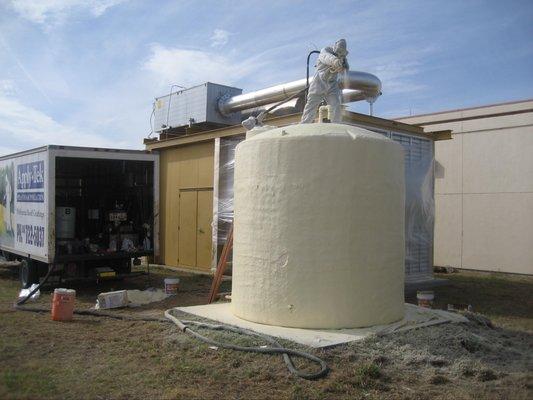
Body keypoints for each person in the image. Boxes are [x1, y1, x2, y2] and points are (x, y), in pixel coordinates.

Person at [301, 39, 349, 123]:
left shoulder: (342, 57)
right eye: (338, 52)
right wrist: (336, 62)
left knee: (336, 105)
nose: (339, 55)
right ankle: (304, 124)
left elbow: (345, 69)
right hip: (319, 83)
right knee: (311, 106)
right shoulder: (325, 52)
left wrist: (344, 66)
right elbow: (328, 58)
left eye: (341, 53)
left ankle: (336, 126)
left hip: (332, 84)